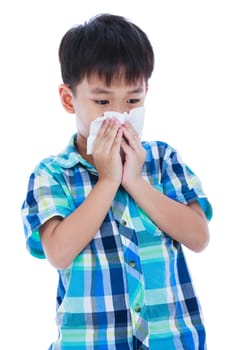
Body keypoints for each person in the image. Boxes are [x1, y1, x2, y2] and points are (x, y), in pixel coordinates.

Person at [21, 13, 213, 350]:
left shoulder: (163, 160)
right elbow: (59, 252)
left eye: (133, 100)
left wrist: (136, 181)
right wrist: (108, 181)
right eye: (102, 101)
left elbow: (198, 237)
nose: (119, 114)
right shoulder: (52, 174)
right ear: (69, 100)